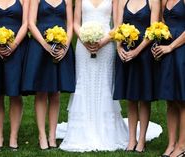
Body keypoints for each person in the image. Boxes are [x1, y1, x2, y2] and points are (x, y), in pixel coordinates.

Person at [59, 0, 129, 152]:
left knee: (104, 84)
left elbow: (118, 25)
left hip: (106, 44)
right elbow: (76, 23)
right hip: (83, 47)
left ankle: (106, 130)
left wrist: (104, 41)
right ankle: (82, 129)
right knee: (84, 83)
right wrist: (85, 40)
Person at [22, 0, 75, 150]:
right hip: (40, 46)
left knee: (55, 93)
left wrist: (65, 46)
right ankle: (42, 135)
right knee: (41, 92)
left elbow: (70, 25)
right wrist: (45, 45)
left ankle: (52, 135)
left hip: (60, 47)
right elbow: (31, 23)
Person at [0, 0, 29, 151]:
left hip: (17, 48)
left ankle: (13, 137)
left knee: (15, 94)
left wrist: (13, 45)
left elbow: (26, 23)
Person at [114, 0, 160, 152]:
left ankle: (141, 141)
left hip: (144, 55)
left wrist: (137, 51)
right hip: (126, 54)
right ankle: (132, 139)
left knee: (143, 98)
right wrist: (119, 47)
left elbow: (153, 32)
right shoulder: (122, 2)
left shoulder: (153, 2)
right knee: (131, 98)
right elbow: (118, 28)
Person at [152, 0, 185, 156]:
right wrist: (157, 44)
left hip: (181, 51)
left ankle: (182, 145)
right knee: (170, 100)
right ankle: (171, 143)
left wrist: (171, 46)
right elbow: (162, 25)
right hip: (167, 51)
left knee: (182, 100)